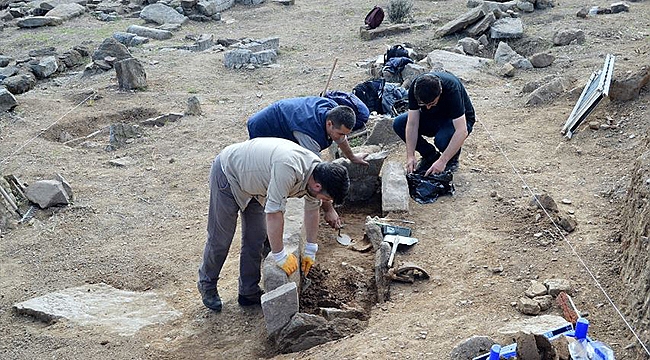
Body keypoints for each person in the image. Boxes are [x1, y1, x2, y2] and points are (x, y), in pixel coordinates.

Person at [197, 137, 350, 312]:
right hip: (229, 175)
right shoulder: (289, 169)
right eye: (326, 198)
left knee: (256, 238)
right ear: (317, 186)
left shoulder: (317, 171)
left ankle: (248, 291)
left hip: (258, 186)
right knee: (221, 238)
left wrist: (310, 248)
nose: (325, 202)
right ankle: (207, 284)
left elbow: (312, 210)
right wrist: (279, 255)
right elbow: (274, 214)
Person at [392, 72, 476, 175]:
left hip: (459, 120)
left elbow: (461, 130)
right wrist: (410, 155)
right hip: (433, 116)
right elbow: (412, 123)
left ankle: (451, 160)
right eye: (423, 104)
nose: (427, 107)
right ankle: (430, 156)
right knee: (399, 123)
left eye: (432, 103)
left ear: (440, 92)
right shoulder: (415, 88)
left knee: (442, 140)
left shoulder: (451, 88)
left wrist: (442, 161)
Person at [247, 96, 369, 165]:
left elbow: (342, 138)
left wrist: (352, 157)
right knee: (268, 165)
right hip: (265, 127)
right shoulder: (310, 135)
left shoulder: (332, 109)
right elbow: (314, 167)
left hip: (288, 116)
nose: (341, 137)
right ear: (329, 123)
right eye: (340, 134)